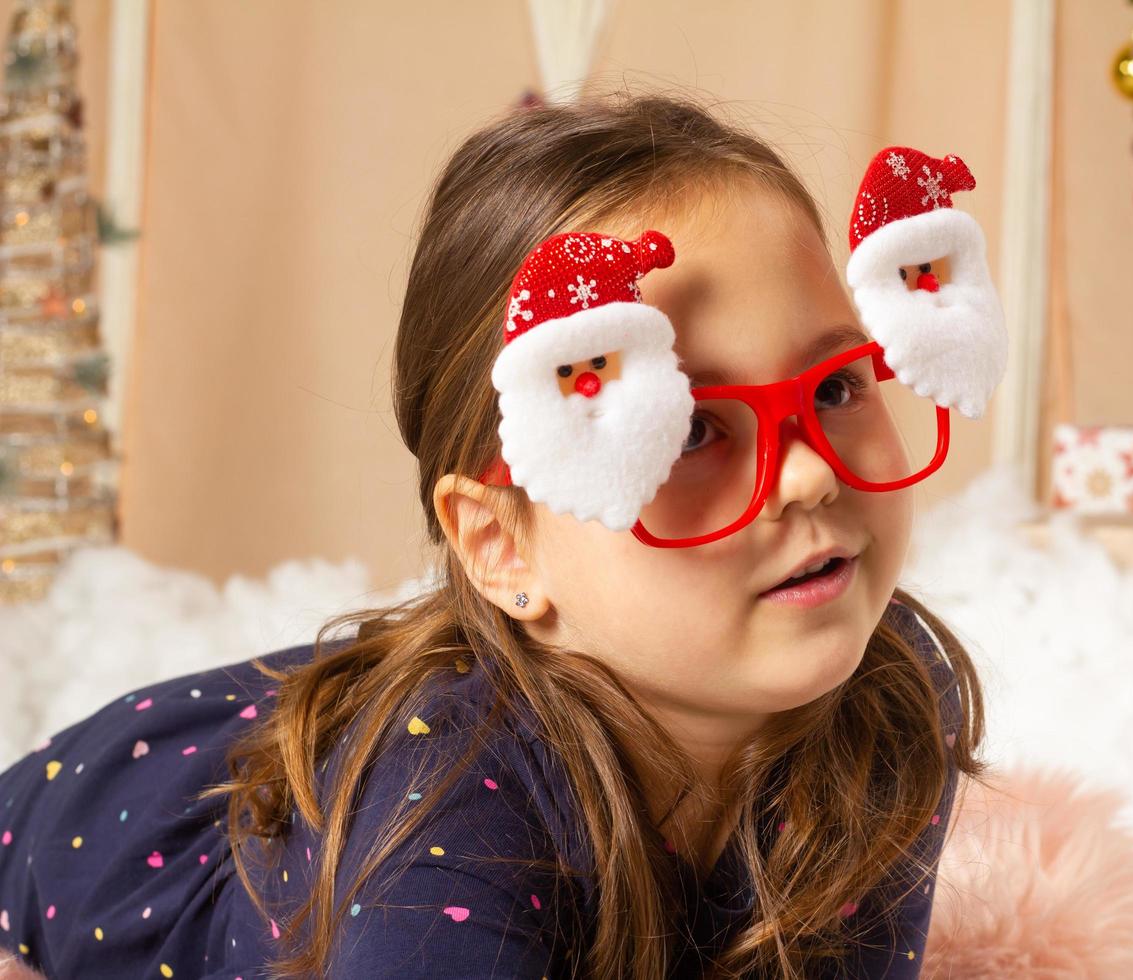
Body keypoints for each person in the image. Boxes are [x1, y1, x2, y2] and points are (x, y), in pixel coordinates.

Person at [0, 91, 988, 979]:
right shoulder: (449, 813)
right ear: (505, 545)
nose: (814, 470)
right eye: (688, 430)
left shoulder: (894, 683)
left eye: (836, 386)